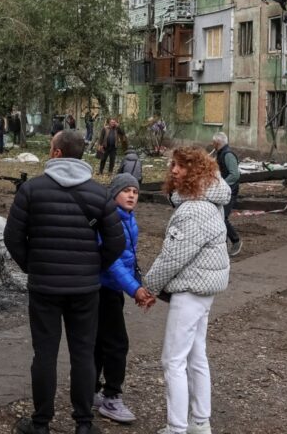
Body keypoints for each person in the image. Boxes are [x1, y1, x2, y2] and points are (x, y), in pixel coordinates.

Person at [5, 130, 124, 434]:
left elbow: (13, 238)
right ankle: (84, 425)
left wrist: (33, 266)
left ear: (57, 153)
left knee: (44, 354)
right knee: (83, 354)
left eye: (50, 145)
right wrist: (93, 267)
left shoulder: (32, 191)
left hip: (44, 287)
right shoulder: (99, 194)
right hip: (85, 289)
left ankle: (41, 423)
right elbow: (116, 242)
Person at [142, 146, 232, 434]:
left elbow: (173, 257)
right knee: (196, 355)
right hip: (203, 290)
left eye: (181, 166)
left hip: (191, 290)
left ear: (196, 172)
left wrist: (148, 287)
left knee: (173, 360)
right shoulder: (208, 200)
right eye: (173, 165)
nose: (174, 170)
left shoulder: (194, 209)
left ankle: (177, 427)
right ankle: (200, 422)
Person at [93, 173, 148, 425]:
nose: (131, 195)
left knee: (101, 342)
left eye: (135, 192)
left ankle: (91, 390)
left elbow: (128, 258)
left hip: (113, 289)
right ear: (114, 193)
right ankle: (111, 397)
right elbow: (112, 262)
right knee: (116, 344)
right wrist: (134, 289)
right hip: (104, 288)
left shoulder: (128, 218)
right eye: (126, 190)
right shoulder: (111, 220)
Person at [211, 132, 243, 257]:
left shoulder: (228, 154)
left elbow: (235, 175)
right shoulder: (220, 153)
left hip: (230, 191)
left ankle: (236, 241)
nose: (212, 144)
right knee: (218, 217)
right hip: (223, 191)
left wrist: (222, 184)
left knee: (222, 218)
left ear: (217, 143)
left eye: (213, 142)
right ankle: (222, 246)